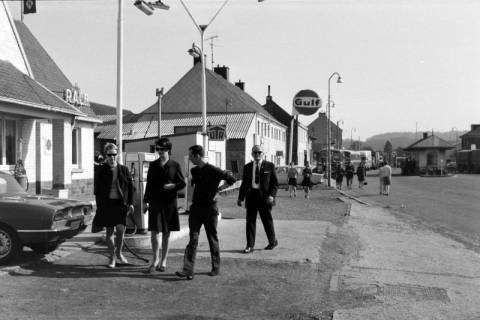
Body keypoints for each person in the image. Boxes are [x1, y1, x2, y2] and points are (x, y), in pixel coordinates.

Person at [176, 145, 236, 280]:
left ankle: (216, 267)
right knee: (193, 239)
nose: (189, 158)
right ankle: (188, 270)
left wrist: (219, 190)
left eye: (191, 155)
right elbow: (194, 186)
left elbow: (232, 180)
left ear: (197, 156)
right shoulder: (194, 170)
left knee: (212, 238)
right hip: (196, 209)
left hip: (210, 209)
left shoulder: (214, 170)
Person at [143, 137, 186, 273]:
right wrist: (145, 201)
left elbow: (182, 183)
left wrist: (173, 186)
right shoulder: (153, 165)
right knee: (154, 232)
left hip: (169, 204)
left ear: (168, 150)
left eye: (161, 149)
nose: (159, 152)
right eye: (157, 149)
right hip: (155, 202)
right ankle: (155, 259)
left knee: (167, 233)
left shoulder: (175, 165)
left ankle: (164, 260)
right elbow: (149, 185)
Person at [94, 143, 134, 268]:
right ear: (106, 155)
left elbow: (130, 188)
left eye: (114, 155)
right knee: (109, 232)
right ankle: (112, 258)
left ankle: (119, 252)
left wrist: (131, 203)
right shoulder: (101, 170)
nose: (112, 157)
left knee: (121, 230)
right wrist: (100, 207)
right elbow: (97, 190)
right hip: (107, 204)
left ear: (117, 155)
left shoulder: (124, 169)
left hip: (121, 204)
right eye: (109, 155)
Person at [237, 145, 278, 254]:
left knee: (267, 220)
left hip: (265, 198)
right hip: (251, 197)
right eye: (255, 152)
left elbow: (275, 184)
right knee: (250, 221)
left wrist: (272, 196)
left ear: (263, 153)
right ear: (252, 154)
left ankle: (272, 241)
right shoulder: (247, 167)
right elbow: (244, 184)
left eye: (259, 152)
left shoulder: (270, 166)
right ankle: (250, 245)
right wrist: (240, 198)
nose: (257, 154)